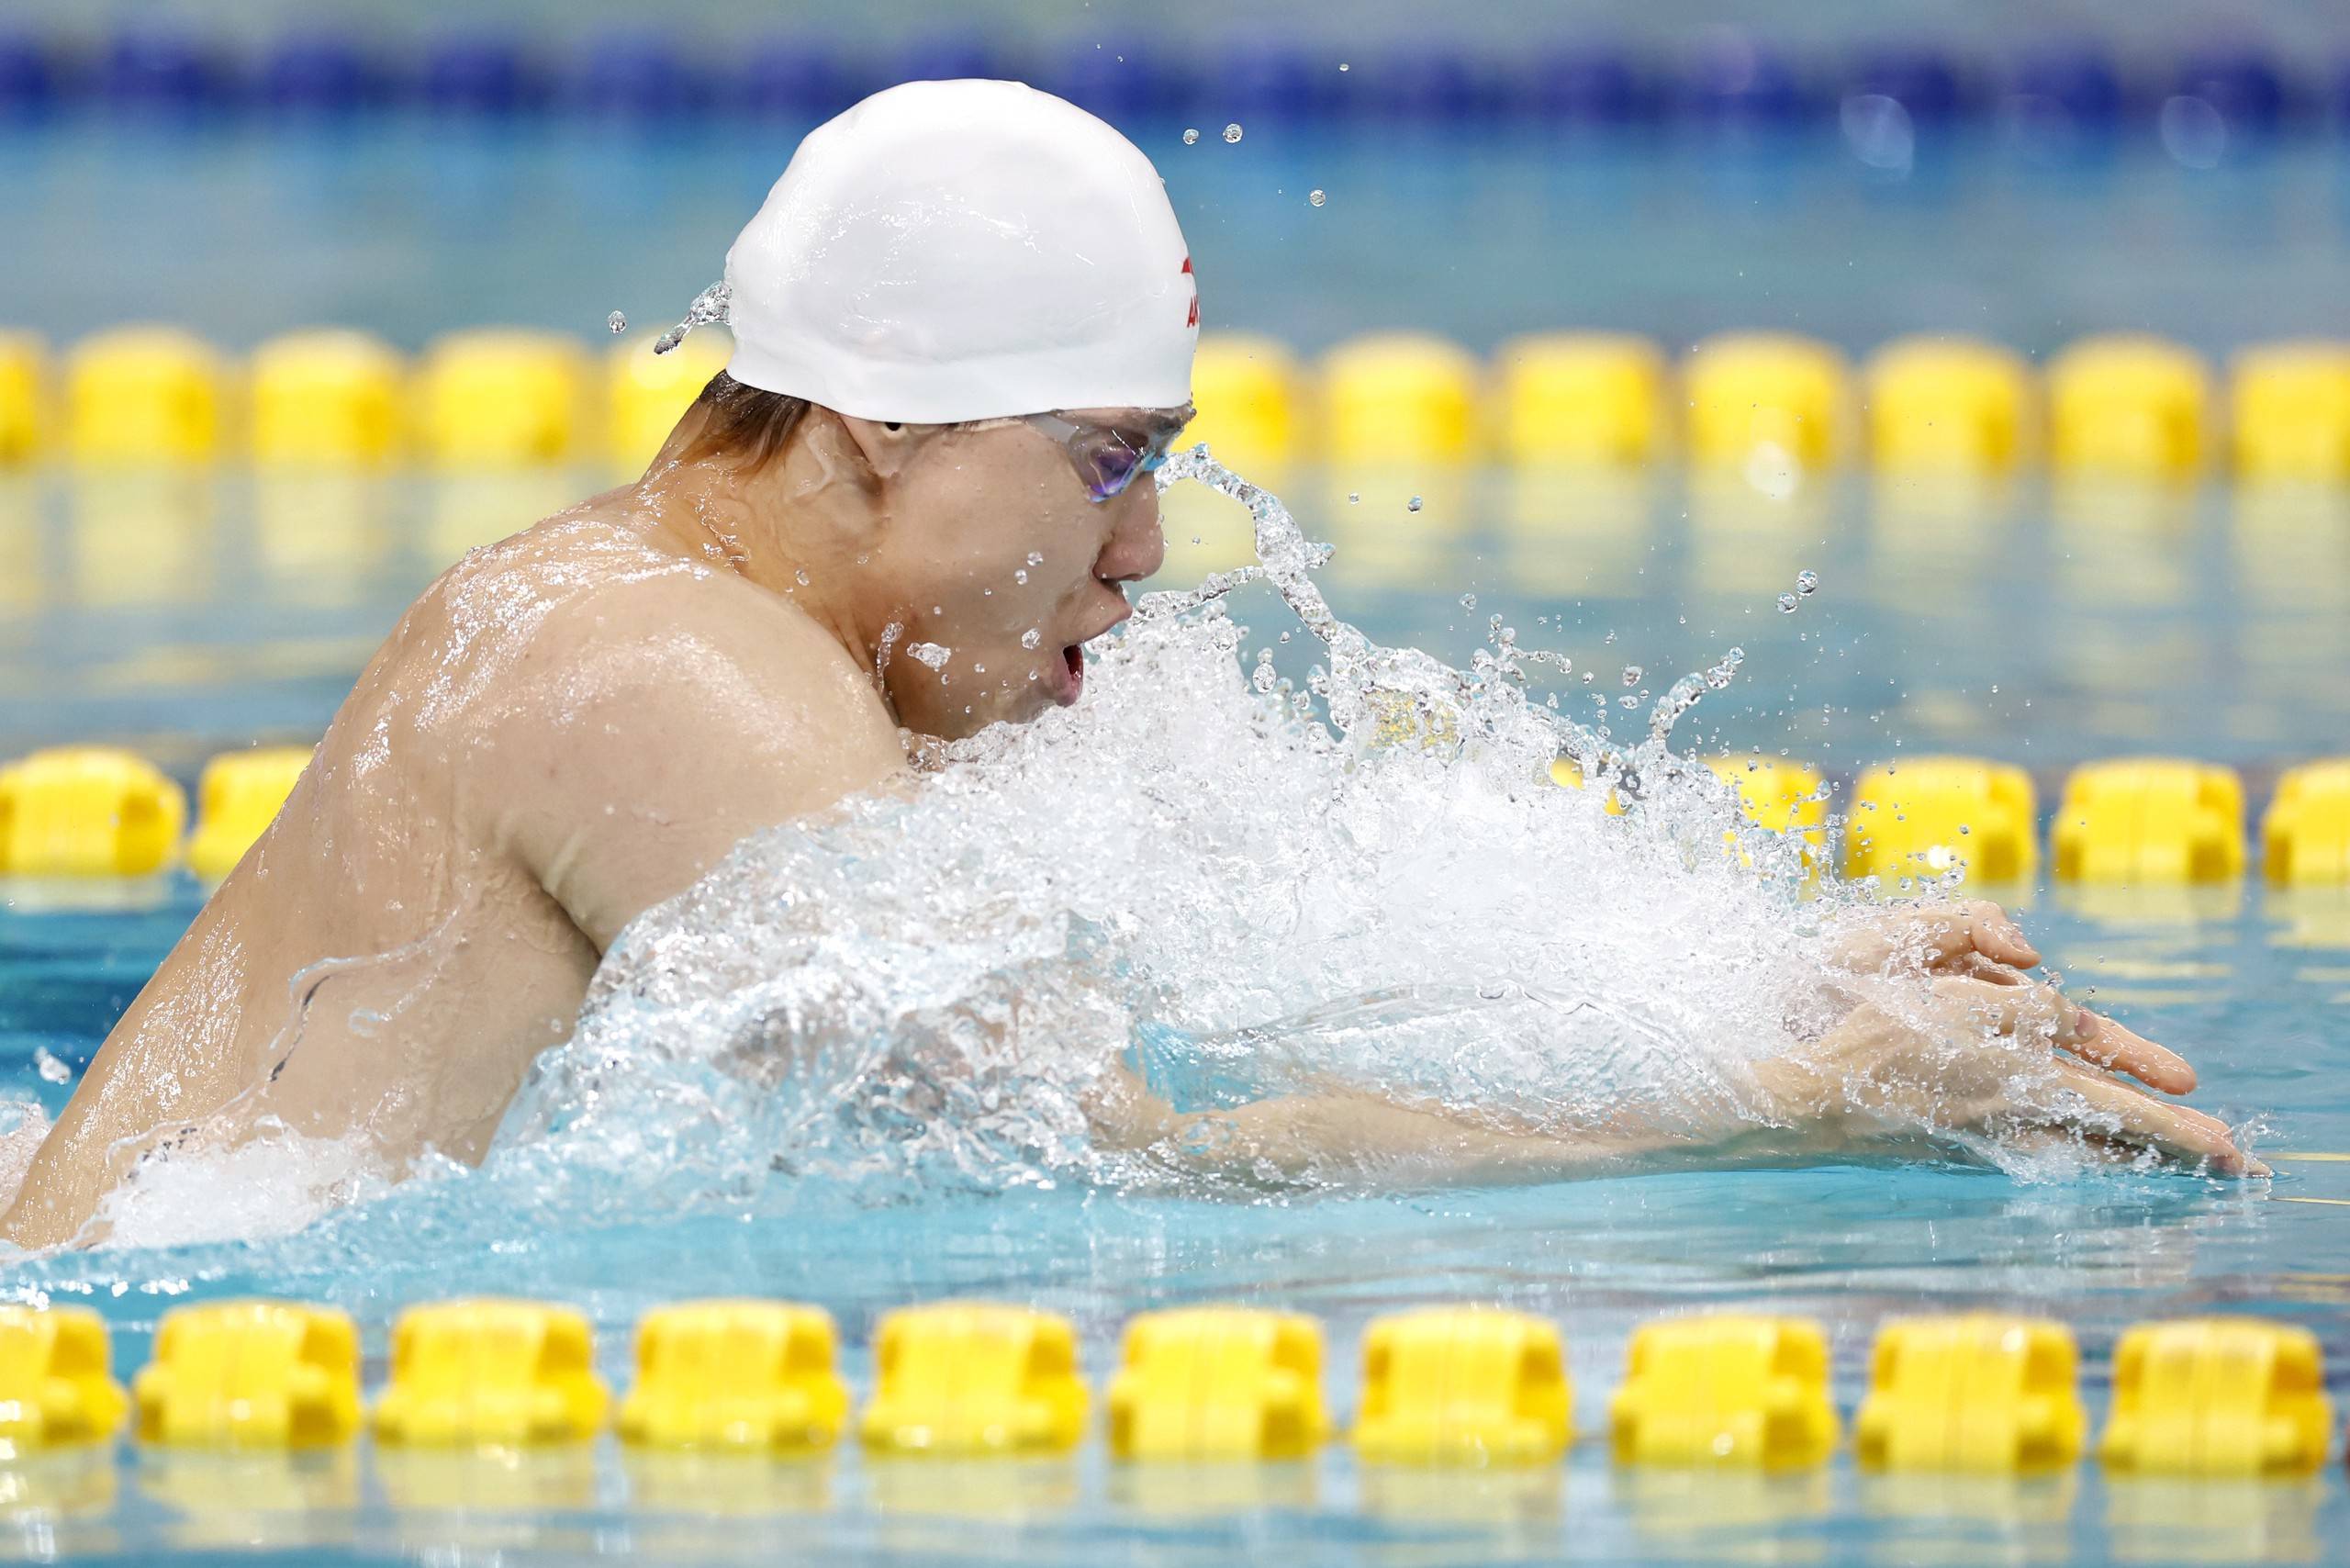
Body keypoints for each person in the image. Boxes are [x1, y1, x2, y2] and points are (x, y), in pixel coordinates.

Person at [1, 83, 2253, 1250]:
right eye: (1099, 462)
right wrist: (1793, 1110)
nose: (1143, 550)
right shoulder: (664, 676)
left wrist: (1749, 986)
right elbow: (1122, 1164)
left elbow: (1259, 975)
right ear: (877, 429)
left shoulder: (735, 639)